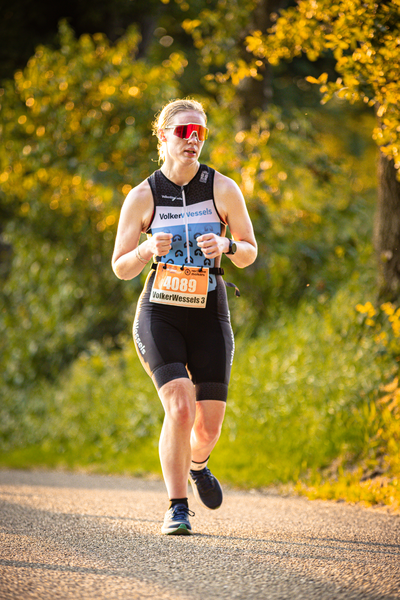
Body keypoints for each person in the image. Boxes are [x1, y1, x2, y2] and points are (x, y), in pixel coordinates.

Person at [112, 98, 257, 535]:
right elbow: (120, 266)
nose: (192, 140)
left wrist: (228, 247)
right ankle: (177, 507)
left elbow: (250, 250)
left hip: (210, 310)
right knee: (178, 406)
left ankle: (199, 463)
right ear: (163, 137)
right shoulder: (142, 196)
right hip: (160, 312)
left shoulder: (223, 189)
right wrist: (144, 249)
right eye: (183, 132)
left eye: (200, 133)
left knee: (207, 426)